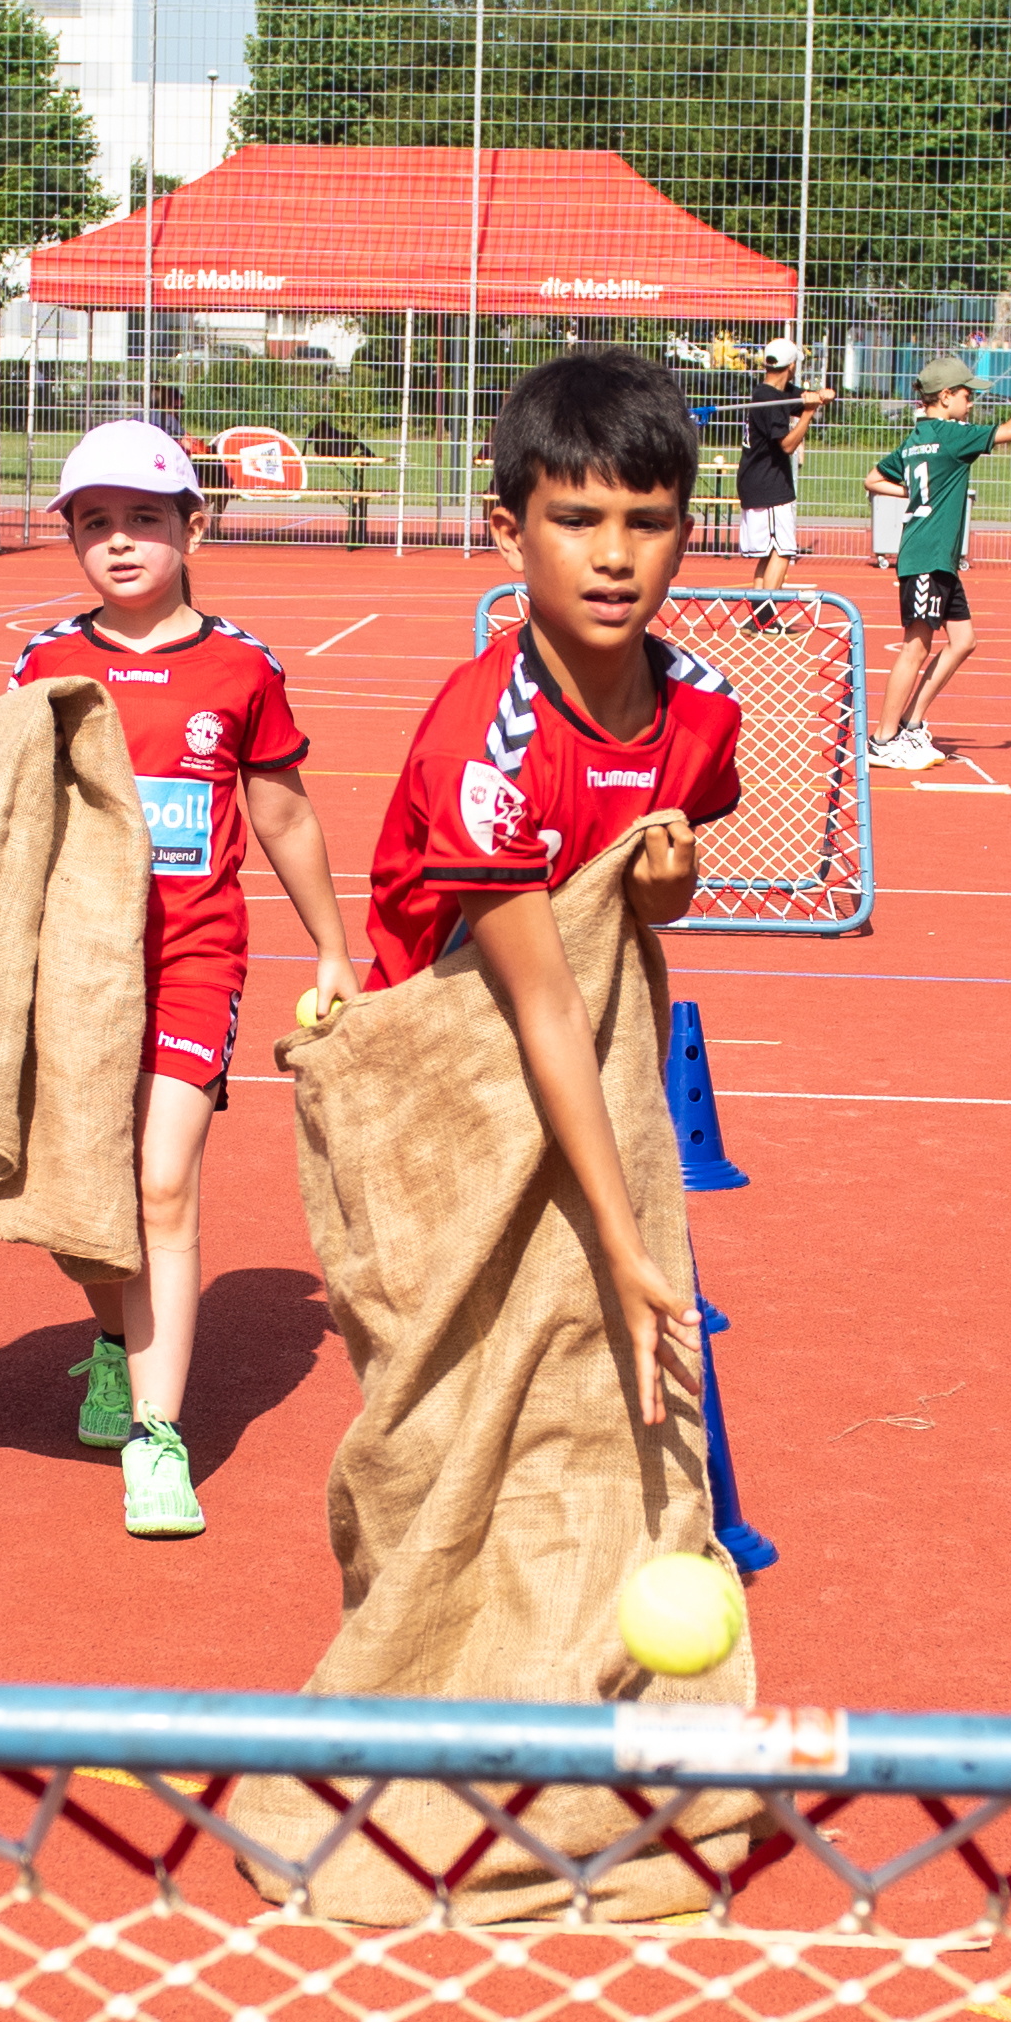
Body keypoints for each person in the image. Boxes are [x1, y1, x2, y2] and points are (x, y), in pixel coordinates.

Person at [358, 344, 737, 1423]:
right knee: (464, 1390)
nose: (613, 556)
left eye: (646, 521)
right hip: (447, 1064)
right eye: (575, 519)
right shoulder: (483, 749)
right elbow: (540, 999)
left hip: (584, 1050)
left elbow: (641, 912)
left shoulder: (703, 713)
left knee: (597, 1387)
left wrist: (668, 889)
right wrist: (624, 1242)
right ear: (505, 530)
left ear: (685, 536)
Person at [8, 420, 353, 1536]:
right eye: (93, 523)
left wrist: (335, 948)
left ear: (193, 526)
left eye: (143, 521)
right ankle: (112, 1340)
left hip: (193, 959)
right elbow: (5, 819)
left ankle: (158, 1440)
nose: (118, 544)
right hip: (75, 965)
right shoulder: (45, 663)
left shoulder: (241, 669)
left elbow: (284, 813)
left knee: (161, 1184)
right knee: (83, 1202)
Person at [860, 358, 1011, 769]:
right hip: (926, 556)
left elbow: (873, 479)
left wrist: (912, 489)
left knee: (963, 641)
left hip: (937, 558)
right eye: (967, 395)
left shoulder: (916, 438)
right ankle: (882, 739)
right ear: (945, 398)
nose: (971, 402)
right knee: (917, 645)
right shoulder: (951, 435)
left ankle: (911, 724)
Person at [726, 337, 830, 619]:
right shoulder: (769, 398)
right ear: (792, 365)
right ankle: (765, 617)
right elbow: (786, 444)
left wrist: (819, 396)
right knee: (783, 550)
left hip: (758, 481)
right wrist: (808, 414)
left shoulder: (772, 391)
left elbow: (799, 397)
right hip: (768, 484)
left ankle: (758, 617)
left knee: (769, 553)